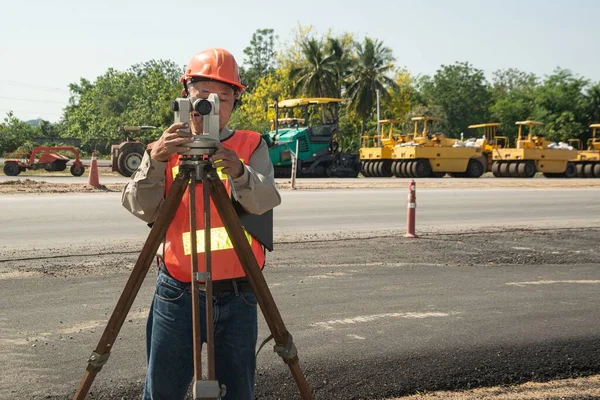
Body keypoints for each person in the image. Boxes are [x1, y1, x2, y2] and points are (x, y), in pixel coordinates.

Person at [121, 48, 281, 400]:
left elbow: (265, 201)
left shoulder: (250, 145)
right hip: (178, 291)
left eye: (224, 98)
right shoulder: (164, 148)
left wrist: (238, 170)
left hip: (239, 293)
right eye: (204, 96)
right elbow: (140, 207)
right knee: (161, 391)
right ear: (186, 96)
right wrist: (157, 159)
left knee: (238, 393)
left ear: (235, 101)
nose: (213, 106)